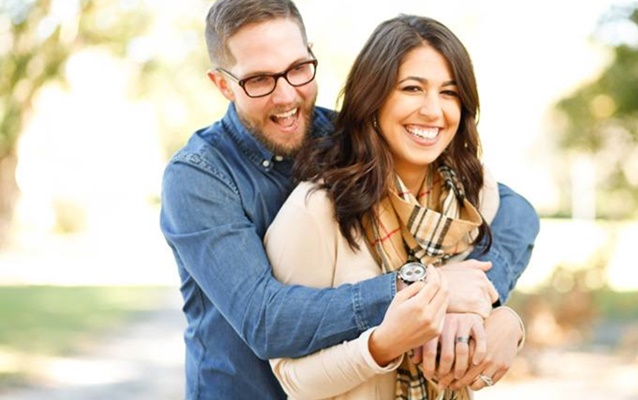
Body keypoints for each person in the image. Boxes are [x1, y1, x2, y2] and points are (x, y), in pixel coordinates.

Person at [159, 0, 540, 398]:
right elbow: (267, 320)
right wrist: (426, 287)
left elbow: (515, 210)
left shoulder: (348, 138)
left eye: (298, 69)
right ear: (223, 84)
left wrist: (488, 302)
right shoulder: (199, 177)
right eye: (258, 80)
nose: (287, 96)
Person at [263, 13, 527, 399]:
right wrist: (383, 343)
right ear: (374, 97)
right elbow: (292, 377)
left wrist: (508, 321)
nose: (433, 111)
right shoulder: (316, 210)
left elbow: (477, 292)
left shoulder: (474, 193)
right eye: (412, 88)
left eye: (449, 93)